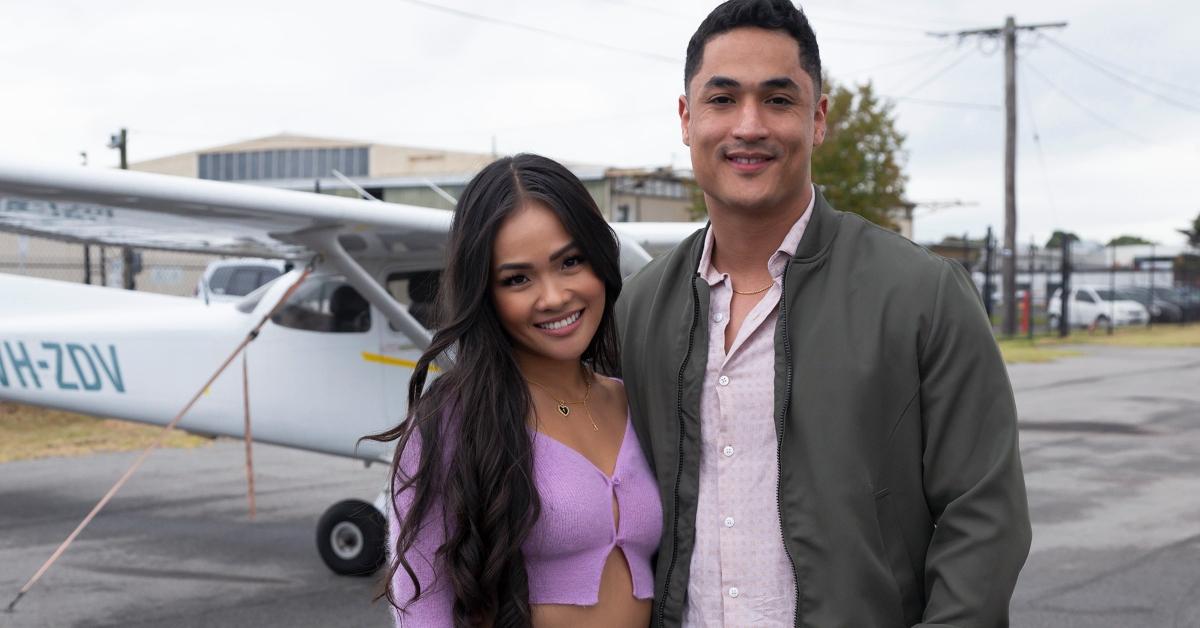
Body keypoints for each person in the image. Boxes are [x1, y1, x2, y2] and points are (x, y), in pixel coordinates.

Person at [616, 1, 1032, 626]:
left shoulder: (924, 294)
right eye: (722, 99)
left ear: (818, 119)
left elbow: (985, 516)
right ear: (686, 117)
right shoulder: (639, 307)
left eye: (778, 100)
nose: (749, 125)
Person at [368, 154, 662, 627]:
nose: (553, 297)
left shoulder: (639, 402)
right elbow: (422, 607)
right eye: (518, 279)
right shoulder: (452, 422)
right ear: (486, 292)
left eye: (570, 261)